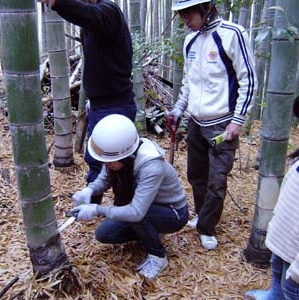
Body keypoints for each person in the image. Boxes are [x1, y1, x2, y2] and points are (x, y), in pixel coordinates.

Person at [168, 0, 257, 250]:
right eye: (181, 14)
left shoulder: (232, 34)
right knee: (197, 176)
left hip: (222, 124)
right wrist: (178, 109)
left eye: (188, 13)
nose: (185, 20)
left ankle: (206, 227)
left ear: (207, 8)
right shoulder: (190, 41)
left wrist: (238, 120)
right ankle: (201, 215)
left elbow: (248, 80)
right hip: (195, 122)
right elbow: (188, 83)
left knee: (217, 182)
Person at [70, 114, 189, 280]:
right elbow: (104, 179)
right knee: (105, 234)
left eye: (109, 162)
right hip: (145, 207)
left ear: (125, 156)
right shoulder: (117, 156)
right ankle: (151, 232)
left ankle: (158, 256)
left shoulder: (151, 167)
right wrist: (89, 191)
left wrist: (97, 209)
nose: (107, 165)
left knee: (136, 217)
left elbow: (136, 212)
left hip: (172, 213)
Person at [42, 0, 137, 204]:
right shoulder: (92, 23)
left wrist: (57, 2)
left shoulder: (108, 12)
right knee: (97, 158)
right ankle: (93, 201)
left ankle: (124, 209)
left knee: (118, 159)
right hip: (101, 104)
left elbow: (88, 14)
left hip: (116, 104)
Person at [243, 97, 299, 300]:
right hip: (285, 241)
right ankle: (273, 296)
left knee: (290, 289)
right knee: (277, 272)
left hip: (296, 257)